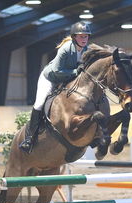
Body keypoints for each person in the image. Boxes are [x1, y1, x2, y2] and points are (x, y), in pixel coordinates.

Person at [19, 22, 91, 153]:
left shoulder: (87, 50)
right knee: (39, 104)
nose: (84, 39)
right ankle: (29, 139)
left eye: (86, 36)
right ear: (74, 37)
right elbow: (58, 71)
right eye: (81, 36)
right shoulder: (66, 48)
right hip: (51, 78)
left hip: (67, 80)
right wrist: (76, 72)